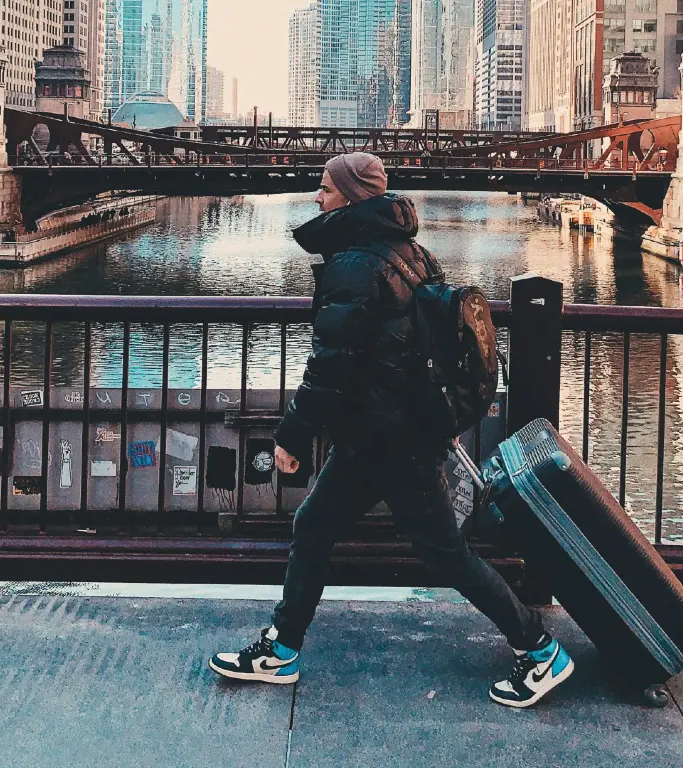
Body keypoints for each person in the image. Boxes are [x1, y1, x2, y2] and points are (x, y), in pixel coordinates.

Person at [208, 152, 573, 709]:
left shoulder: (354, 265)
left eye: (326, 189)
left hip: (391, 439)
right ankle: (282, 649)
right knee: (315, 528)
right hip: (385, 433)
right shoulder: (412, 254)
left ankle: (540, 649)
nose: (317, 197)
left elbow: (331, 363)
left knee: (443, 553)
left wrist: (292, 434)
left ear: (352, 198)